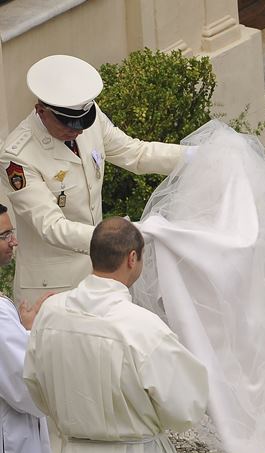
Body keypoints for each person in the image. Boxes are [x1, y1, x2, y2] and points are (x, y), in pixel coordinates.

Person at [132, 120, 265, 453]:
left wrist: (163, 232)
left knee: (251, 372)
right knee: (255, 374)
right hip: (250, 311)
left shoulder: (241, 221)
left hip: (252, 309)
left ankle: (259, 443)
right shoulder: (237, 213)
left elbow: (221, 249)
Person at [23, 218, 208, 453]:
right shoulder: (142, 327)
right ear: (132, 259)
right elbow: (185, 408)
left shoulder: (50, 313)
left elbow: (35, 387)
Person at [0, 55, 186, 306]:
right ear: (41, 112)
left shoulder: (92, 119)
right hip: (53, 290)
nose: (77, 131)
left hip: (101, 277)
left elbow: (135, 153)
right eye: (68, 124)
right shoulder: (17, 155)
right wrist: (119, 238)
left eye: (82, 124)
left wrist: (191, 157)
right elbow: (52, 227)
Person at [0, 205, 55, 453]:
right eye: (4, 236)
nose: (13, 241)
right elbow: (29, 389)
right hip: (11, 442)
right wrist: (36, 332)